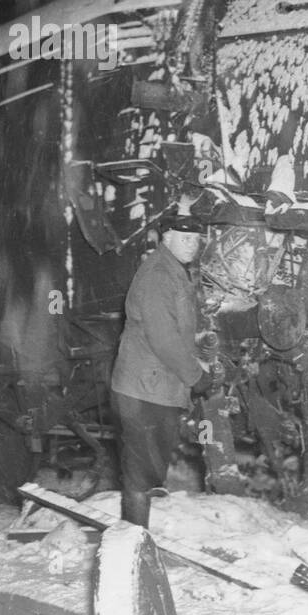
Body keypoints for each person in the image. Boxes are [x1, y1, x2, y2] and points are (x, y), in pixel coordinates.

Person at [109, 210, 219, 527]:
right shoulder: (159, 274)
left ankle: (137, 540)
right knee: (140, 479)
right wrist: (197, 378)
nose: (191, 245)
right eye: (184, 238)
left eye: (196, 240)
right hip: (144, 390)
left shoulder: (173, 270)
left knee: (146, 474)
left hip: (155, 388)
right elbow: (164, 338)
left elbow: (176, 333)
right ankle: (132, 545)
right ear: (166, 237)